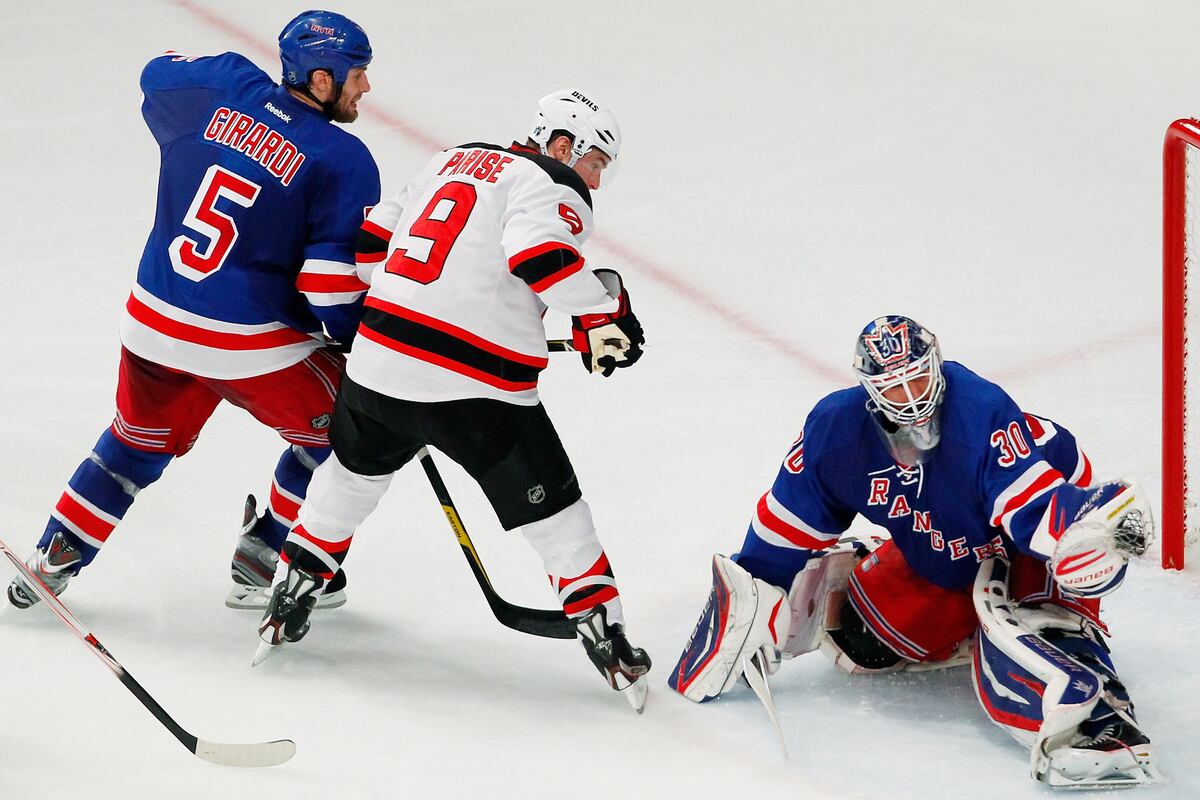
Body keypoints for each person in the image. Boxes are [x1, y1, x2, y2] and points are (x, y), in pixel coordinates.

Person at [252, 89, 652, 710]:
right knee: (559, 517)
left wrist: (418, 314)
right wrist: (603, 312)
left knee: (351, 477)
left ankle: (292, 589)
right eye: (597, 161)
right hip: (477, 393)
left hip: (377, 367)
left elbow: (367, 249)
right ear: (563, 145)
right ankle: (606, 635)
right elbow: (539, 258)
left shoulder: (449, 158)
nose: (597, 179)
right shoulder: (552, 183)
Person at [669, 315, 1161, 788]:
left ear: (936, 365)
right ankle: (912, 585)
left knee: (1044, 630)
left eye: (918, 379)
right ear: (870, 390)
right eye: (894, 387)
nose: (911, 399)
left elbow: (1032, 508)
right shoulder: (835, 432)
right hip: (942, 546)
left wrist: (1084, 534)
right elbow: (786, 523)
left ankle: (1100, 722)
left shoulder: (980, 411)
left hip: (1022, 541)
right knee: (861, 637)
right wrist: (756, 586)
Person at [6, 11, 380, 614]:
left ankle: (55, 553)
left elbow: (156, 73)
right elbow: (329, 286)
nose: (365, 89)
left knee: (134, 445)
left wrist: (242, 96)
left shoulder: (223, 85)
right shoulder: (343, 158)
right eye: (356, 74)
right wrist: (358, 339)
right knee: (354, 437)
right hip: (247, 341)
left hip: (153, 318)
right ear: (318, 78)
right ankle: (266, 555)